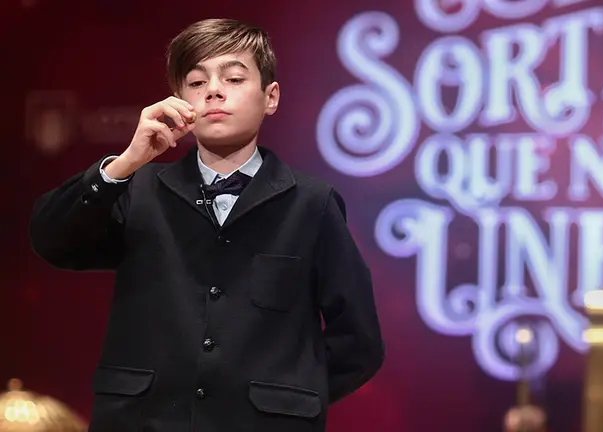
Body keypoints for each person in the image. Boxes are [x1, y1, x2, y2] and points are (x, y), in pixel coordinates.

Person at [29, 18, 385, 432]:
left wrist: (287, 401)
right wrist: (125, 163)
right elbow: (51, 240)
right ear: (178, 100)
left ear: (271, 97)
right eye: (196, 83)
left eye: (234, 78)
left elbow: (359, 342)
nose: (214, 90)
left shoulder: (312, 203)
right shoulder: (138, 189)